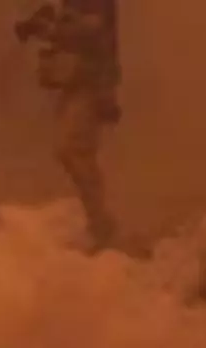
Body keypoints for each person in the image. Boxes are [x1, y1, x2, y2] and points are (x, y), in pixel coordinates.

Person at [15, 0, 121, 253]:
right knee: (72, 152)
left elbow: (92, 31)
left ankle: (102, 225)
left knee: (72, 151)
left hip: (90, 84)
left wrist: (48, 29)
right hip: (77, 83)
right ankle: (99, 223)